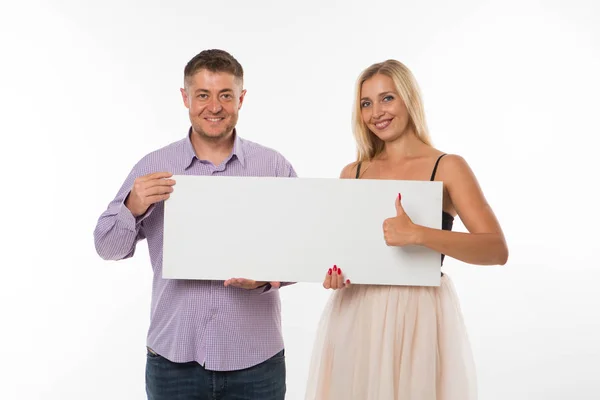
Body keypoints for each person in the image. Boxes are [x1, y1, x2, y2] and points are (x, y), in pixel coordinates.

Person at [93, 49, 296, 400]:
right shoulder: (155, 164)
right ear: (185, 97)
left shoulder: (273, 166)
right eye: (203, 95)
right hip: (173, 363)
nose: (214, 107)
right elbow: (107, 247)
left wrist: (266, 278)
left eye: (225, 96)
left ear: (241, 99)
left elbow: (304, 246)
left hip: (256, 362)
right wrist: (134, 204)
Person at [304, 60, 509, 400]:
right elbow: (343, 252)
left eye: (387, 98)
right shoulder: (353, 172)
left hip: (419, 314)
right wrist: (334, 273)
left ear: (408, 99)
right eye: (365, 103)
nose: (376, 113)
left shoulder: (447, 166)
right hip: (357, 312)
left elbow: (495, 249)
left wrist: (419, 235)